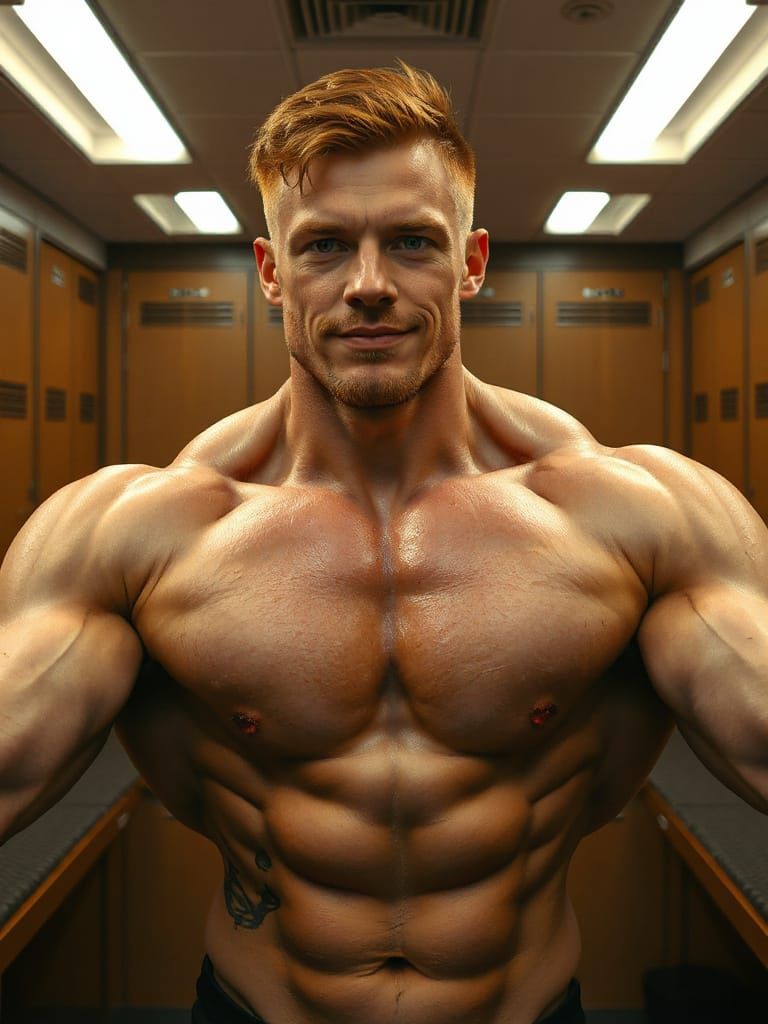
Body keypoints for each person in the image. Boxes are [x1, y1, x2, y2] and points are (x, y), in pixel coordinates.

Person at [0, 61, 766, 1024]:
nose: (368, 286)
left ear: (471, 262)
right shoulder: (138, 535)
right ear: (271, 271)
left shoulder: (638, 518)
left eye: (411, 242)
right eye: (324, 246)